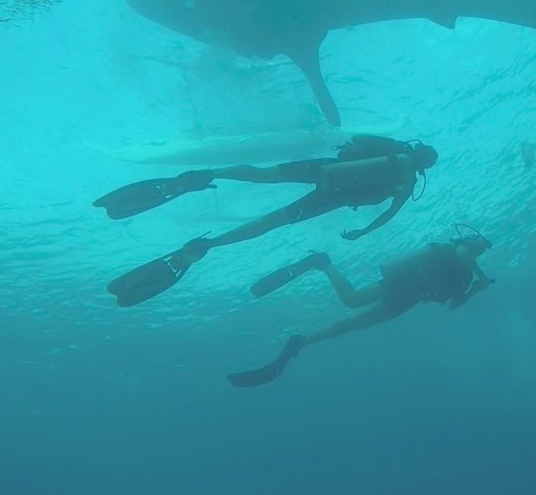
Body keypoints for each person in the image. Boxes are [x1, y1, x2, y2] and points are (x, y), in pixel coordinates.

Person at [92, 135, 439, 307]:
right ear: (423, 167)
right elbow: (388, 214)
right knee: (271, 223)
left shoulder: (391, 148)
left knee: (264, 175)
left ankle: (205, 175)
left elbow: (352, 144)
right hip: (334, 199)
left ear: (416, 147)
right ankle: (208, 245)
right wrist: (361, 232)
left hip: (324, 171)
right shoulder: (406, 183)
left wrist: (350, 151)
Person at [227, 226, 495, 388]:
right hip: (402, 284)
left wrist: (475, 289)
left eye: (481, 249)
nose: (478, 250)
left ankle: (302, 342)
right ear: (468, 241)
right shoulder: (453, 250)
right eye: (477, 244)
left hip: (408, 299)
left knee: (352, 325)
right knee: (351, 300)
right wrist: (479, 274)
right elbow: (460, 255)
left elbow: (453, 305)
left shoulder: (467, 276)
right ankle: (322, 263)